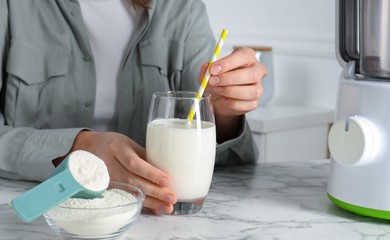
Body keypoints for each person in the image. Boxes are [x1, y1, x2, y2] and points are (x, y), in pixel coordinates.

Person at [0, 0, 266, 214]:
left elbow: (234, 164)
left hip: (159, 219)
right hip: (38, 211)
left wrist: (224, 113)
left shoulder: (182, 9)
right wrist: (77, 150)